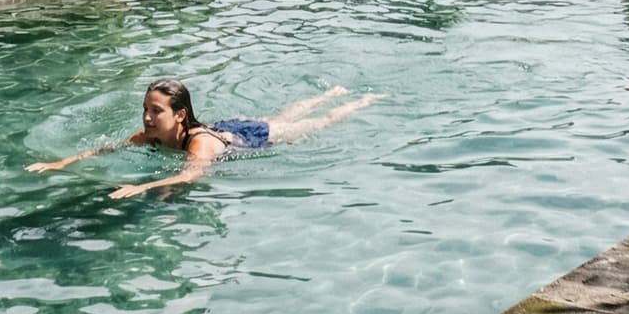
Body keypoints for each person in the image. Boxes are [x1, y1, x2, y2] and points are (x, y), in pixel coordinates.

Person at [27, 78, 379, 199]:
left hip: (249, 140)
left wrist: (142, 187)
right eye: (145, 109)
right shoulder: (149, 135)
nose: (147, 117)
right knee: (285, 112)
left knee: (311, 125)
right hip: (227, 125)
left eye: (156, 111)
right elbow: (106, 148)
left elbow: (190, 175)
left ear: (179, 115)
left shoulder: (197, 144)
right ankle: (330, 91)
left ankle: (358, 101)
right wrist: (62, 162)